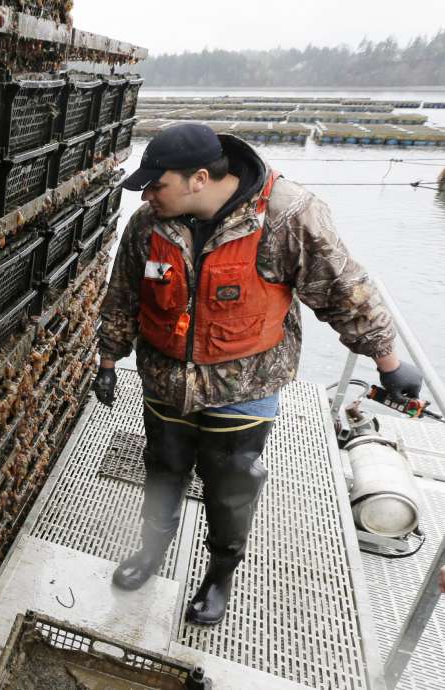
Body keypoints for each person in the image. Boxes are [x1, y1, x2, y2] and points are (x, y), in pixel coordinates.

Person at [92, 123, 424, 626]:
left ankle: (220, 574)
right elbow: (123, 296)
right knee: (162, 470)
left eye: (157, 184)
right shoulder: (148, 225)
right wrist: (109, 360)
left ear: (199, 178)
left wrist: (387, 361)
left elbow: (343, 291)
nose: (147, 194)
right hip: (165, 382)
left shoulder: (288, 216)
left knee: (230, 488)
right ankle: (150, 552)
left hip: (244, 387)